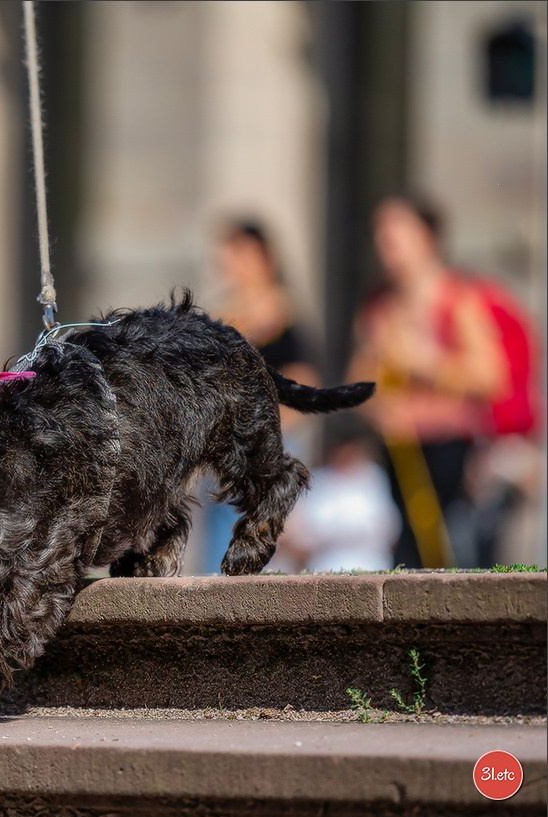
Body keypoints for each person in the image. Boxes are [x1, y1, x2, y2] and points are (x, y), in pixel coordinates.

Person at [347, 195, 510, 569]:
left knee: (455, 554)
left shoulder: (459, 299)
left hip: (451, 453)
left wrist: (424, 363)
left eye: (395, 230)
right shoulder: (378, 306)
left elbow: (491, 376)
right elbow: (357, 380)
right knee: (405, 556)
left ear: (427, 236)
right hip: (399, 451)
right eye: (380, 232)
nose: (384, 241)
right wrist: (379, 405)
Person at [196, 218, 321, 574]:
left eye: (240, 253)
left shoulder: (283, 315)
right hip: (224, 449)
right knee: (220, 538)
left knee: (263, 537)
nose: (231, 263)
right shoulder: (223, 315)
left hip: (267, 445)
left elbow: (305, 380)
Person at [272, 413, 400, 573]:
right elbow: (301, 537)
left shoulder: (373, 477)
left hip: (371, 567)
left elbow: (388, 530)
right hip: (324, 571)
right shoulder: (319, 481)